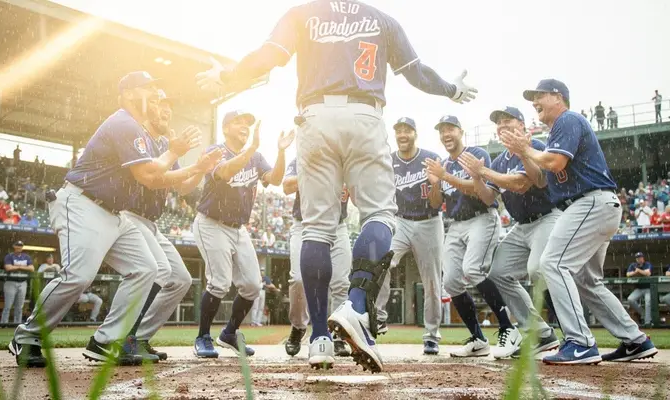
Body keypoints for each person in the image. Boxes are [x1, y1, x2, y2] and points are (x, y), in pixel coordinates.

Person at [193, 0, 476, 373]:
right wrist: (452, 90)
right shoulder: (382, 19)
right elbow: (417, 73)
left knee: (316, 228)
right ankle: (357, 307)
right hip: (365, 113)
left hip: (314, 116)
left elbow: (267, 56)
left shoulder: (302, 13)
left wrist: (228, 76)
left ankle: (320, 338)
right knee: (379, 215)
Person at [10, 71, 202, 368]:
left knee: (146, 269)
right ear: (127, 95)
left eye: (155, 88)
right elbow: (150, 176)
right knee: (78, 276)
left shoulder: (137, 128)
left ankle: (105, 341)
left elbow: (157, 177)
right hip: (83, 203)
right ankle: (28, 336)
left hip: (113, 213)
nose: (154, 94)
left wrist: (192, 164)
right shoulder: (123, 121)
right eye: (147, 89)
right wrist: (176, 151)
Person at [501, 79, 657, 364]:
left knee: (553, 264)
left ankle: (581, 342)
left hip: (589, 202)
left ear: (558, 97)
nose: (535, 102)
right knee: (588, 281)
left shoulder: (568, 119)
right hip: (596, 206)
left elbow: (556, 163)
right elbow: (539, 177)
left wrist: (526, 150)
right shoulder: (554, 135)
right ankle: (635, 340)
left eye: (540, 96)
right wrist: (525, 152)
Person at [121, 90, 222, 362]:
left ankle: (139, 337)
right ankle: (125, 337)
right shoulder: (139, 138)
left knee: (180, 279)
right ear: (149, 108)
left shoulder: (167, 144)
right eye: (160, 105)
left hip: (151, 223)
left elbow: (182, 186)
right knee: (157, 271)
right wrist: (187, 163)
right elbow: (154, 178)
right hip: (128, 216)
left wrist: (200, 168)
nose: (166, 111)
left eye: (169, 107)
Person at [457, 106, 560, 359]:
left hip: (548, 217)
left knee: (538, 268)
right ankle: (540, 333)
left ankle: (576, 336)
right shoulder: (501, 159)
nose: (502, 125)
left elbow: (522, 184)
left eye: (508, 120)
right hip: (521, 225)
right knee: (498, 273)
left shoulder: (535, 144)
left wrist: (483, 172)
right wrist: (478, 178)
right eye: (498, 122)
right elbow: (489, 196)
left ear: (522, 125)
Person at [192, 110, 292, 360]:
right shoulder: (215, 150)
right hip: (211, 223)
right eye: (238, 122)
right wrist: (252, 150)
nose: (244, 126)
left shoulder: (256, 157)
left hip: (238, 228)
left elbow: (276, 179)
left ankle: (229, 333)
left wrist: (280, 151)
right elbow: (224, 173)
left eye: (247, 123)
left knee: (251, 285)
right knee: (220, 282)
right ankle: (202, 337)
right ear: (226, 128)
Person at [423, 115, 513, 359]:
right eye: (442, 130)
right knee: (451, 281)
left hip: (481, 217)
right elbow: (435, 203)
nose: (446, 134)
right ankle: (478, 338)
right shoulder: (443, 164)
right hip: (455, 224)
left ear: (461, 131)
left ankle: (509, 328)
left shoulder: (475, 154)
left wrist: (445, 176)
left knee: (473, 269)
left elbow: (477, 190)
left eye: (450, 128)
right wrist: (434, 184)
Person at [375, 117, 443, 355]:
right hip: (401, 220)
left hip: (429, 220)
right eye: (399, 131)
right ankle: (379, 317)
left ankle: (432, 335)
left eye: (407, 130)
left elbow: (437, 202)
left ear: (415, 133)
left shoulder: (431, 158)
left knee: (432, 280)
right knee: (382, 261)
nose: (402, 135)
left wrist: (435, 184)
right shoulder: (388, 160)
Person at [283, 158, 353, 363]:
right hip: (305, 224)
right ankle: (298, 325)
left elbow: (361, 193)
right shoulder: (305, 157)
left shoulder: (346, 159)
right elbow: (287, 186)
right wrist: (320, 176)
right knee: (298, 279)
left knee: (341, 282)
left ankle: (338, 334)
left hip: (337, 226)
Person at [1, 241, 35, 324]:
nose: (19, 247)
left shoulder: (26, 257)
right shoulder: (9, 256)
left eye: (21, 246)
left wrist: (16, 267)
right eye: (17, 245)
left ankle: (17, 324)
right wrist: (23, 266)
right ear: (14, 246)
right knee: (8, 306)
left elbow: (31, 268)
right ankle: (3, 324)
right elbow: (8, 267)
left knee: (19, 307)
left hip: (22, 282)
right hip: (11, 282)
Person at [625, 252, 653, 326]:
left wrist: (638, 271)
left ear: (643, 258)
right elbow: (628, 274)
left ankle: (648, 322)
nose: (639, 259)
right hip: (639, 288)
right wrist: (636, 272)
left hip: (648, 288)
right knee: (630, 299)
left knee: (648, 302)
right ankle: (643, 314)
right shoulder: (633, 265)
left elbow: (648, 273)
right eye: (637, 258)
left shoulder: (647, 264)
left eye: (640, 257)